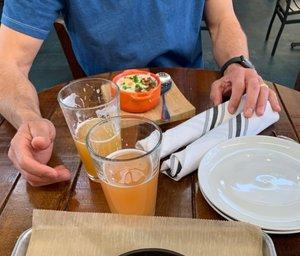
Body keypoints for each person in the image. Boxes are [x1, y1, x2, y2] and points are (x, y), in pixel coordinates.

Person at [0, 0, 281, 187]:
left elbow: (222, 20)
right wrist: (28, 119)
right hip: (103, 114)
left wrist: (236, 63)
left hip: (194, 104)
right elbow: (7, 62)